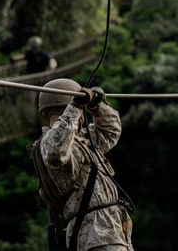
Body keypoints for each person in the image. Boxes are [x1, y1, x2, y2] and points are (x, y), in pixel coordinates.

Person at [37, 78, 133, 250]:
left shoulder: (82, 140)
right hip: (95, 233)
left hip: (111, 230)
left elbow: (111, 132)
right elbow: (55, 151)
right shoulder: (49, 142)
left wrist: (97, 107)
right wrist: (74, 108)